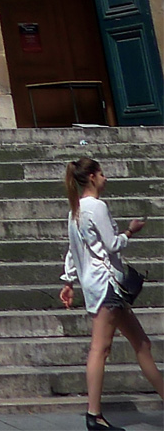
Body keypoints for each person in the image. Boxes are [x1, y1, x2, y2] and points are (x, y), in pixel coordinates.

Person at [60, 154, 163, 431]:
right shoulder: (96, 207)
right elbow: (113, 244)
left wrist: (69, 281)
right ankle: (94, 415)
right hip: (107, 286)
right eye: (102, 173)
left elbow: (73, 250)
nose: (106, 177)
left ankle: (96, 415)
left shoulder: (75, 209)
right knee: (100, 348)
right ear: (92, 177)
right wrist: (131, 231)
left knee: (141, 344)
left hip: (98, 286)